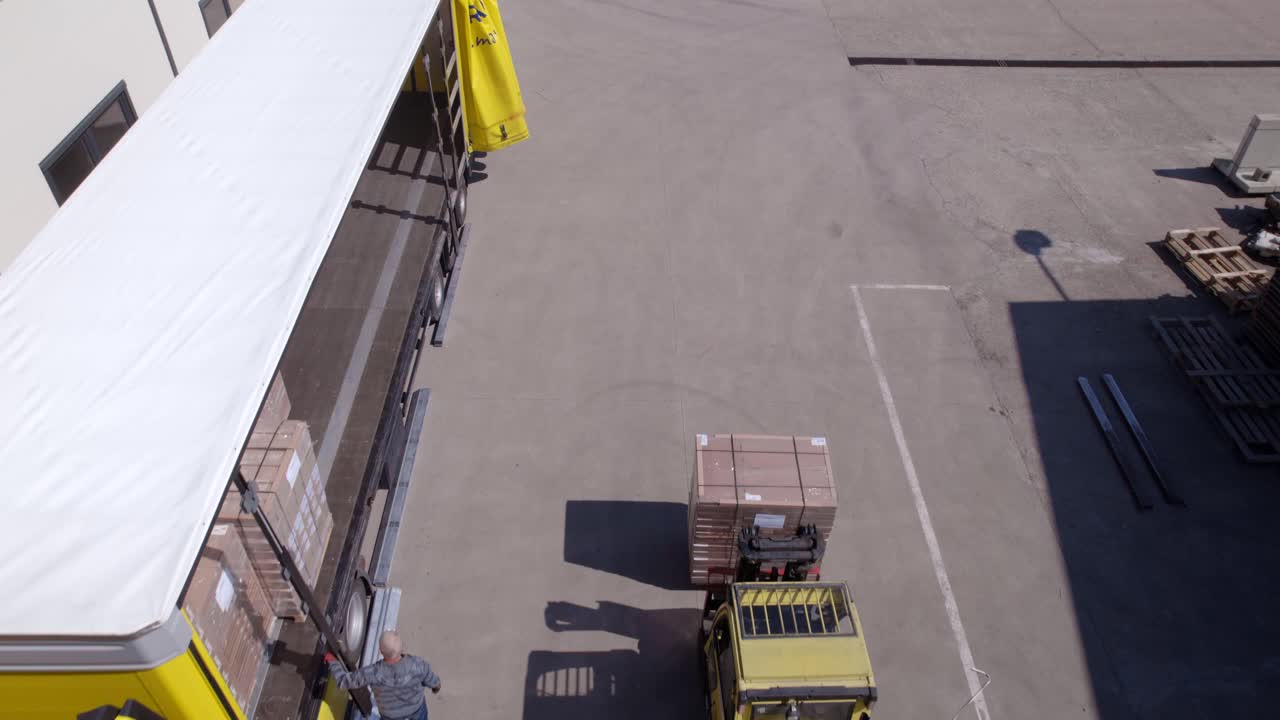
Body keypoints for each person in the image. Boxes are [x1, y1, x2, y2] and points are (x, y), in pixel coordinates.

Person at [326, 630, 442, 720]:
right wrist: (436, 686)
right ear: (401, 647)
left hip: (390, 716)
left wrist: (332, 661)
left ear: (381, 651)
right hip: (417, 709)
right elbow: (432, 680)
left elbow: (344, 681)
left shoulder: (372, 673)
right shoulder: (417, 664)